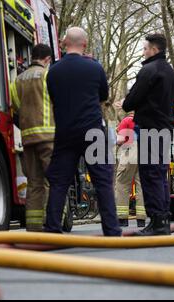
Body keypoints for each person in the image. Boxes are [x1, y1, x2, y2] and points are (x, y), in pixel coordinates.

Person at [44, 27, 121, 236]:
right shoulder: (94, 68)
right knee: (102, 180)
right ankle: (112, 230)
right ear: (85, 45)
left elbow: (52, 97)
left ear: (64, 43)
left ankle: (52, 229)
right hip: (92, 132)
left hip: (65, 132)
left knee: (59, 182)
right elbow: (103, 96)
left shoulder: (54, 70)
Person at [122, 33, 174, 236]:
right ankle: (163, 219)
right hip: (165, 129)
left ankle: (156, 222)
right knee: (160, 175)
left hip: (150, 129)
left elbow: (130, 102)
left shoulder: (148, 71)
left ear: (154, 50)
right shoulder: (172, 74)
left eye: (145, 49)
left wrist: (126, 102)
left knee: (150, 175)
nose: (143, 52)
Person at [10, 44, 54, 232]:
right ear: (47, 59)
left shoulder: (17, 80)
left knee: (34, 182)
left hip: (27, 138)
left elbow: (16, 107)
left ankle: (34, 226)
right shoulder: (48, 76)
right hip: (48, 135)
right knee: (54, 180)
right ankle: (53, 222)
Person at [114, 110, 146, 228]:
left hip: (130, 152)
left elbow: (120, 140)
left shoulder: (127, 120)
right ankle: (141, 220)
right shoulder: (145, 121)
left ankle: (122, 219)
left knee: (122, 184)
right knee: (141, 187)